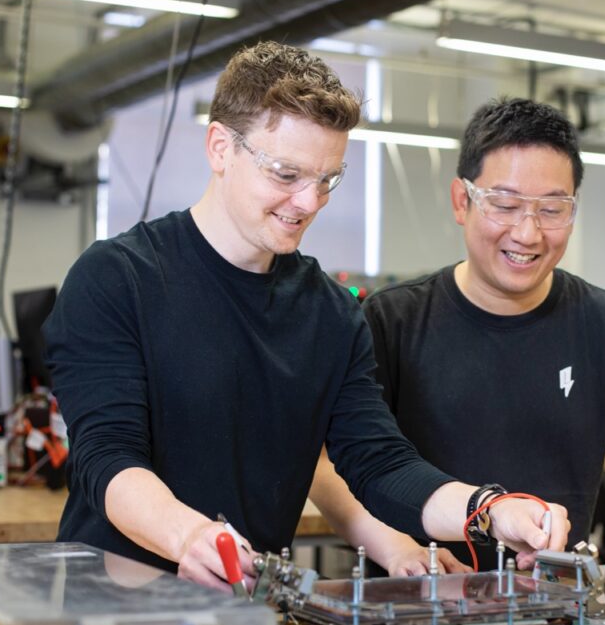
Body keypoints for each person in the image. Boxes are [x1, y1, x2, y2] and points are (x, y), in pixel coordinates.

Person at [43, 43, 570, 591]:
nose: (309, 201)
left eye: (327, 179)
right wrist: (189, 537)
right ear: (220, 147)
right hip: (109, 613)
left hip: (245, 609)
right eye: (286, 173)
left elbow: (380, 463)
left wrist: (489, 509)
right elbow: (107, 456)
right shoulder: (117, 279)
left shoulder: (330, 312)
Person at [309, 98, 605, 588]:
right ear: (461, 201)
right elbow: (323, 460)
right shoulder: (393, 319)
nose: (528, 232)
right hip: (418, 598)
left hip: (555, 603)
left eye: (552, 209)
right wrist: (396, 547)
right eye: (506, 205)